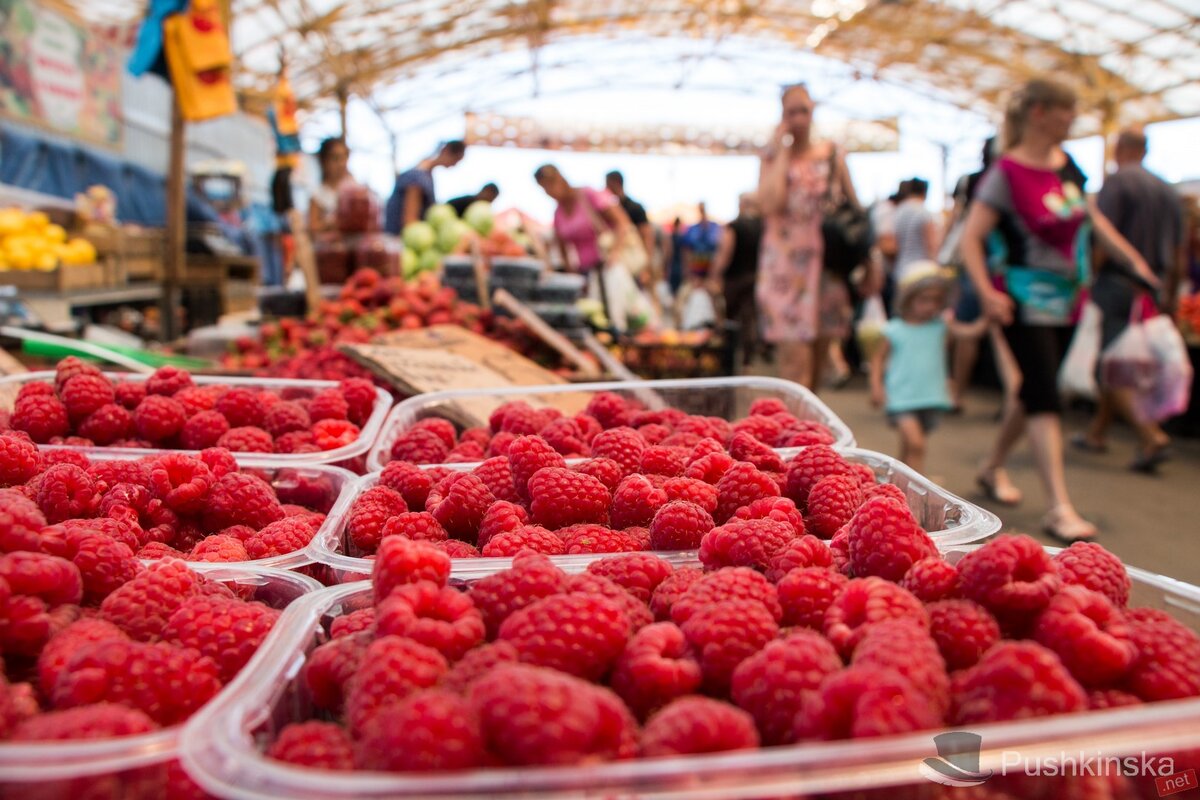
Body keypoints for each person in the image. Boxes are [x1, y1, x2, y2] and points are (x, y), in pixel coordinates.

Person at [959, 78, 1157, 542]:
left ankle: (991, 468)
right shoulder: (1005, 173)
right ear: (1039, 113)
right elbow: (971, 237)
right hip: (1021, 302)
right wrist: (988, 292)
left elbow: (1092, 218)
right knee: (1046, 395)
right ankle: (1058, 507)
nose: (1073, 118)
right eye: (1066, 110)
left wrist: (1132, 260)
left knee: (1032, 389)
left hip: (1068, 300)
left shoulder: (1069, 166)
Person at [1074, 128, 1186, 471]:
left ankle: (1150, 435)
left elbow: (1104, 240)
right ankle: (1098, 432)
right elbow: (1180, 251)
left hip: (1118, 285)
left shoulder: (1118, 183)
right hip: (1153, 288)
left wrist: (1088, 280)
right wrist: (1169, 293)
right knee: (1125, 360)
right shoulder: (1169, 191)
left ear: (1121, 148)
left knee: (1111, 364)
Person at [757, 83, 863, 390]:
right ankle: (794, 433)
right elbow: (769, 204)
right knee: (794, 362)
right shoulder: (772, 157)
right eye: (791, 112)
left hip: (826, 266)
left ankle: (806, 431)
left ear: (813, 110)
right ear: (782, 116)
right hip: (785, 269)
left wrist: (867, 260)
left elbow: (854, 208)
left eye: (803, 110)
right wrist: (781, 151)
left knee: (817, 361)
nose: (799, 119)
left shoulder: (831, 155)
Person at [870, 263, 985, 474]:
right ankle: (916, 490)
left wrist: (988, 317)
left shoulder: (941, 326)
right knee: (917, 445)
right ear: (908, 299)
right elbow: (877, 360)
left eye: (936, 300)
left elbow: (969, 333)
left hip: (930, 396)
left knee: (910, 447)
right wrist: (877, 387)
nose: (931, 306)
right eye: (924, 299)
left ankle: (896, 481)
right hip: (901, 397)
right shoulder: (894, 329)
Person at [534, 164, 641, 329]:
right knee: (599, 323)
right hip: (588, 277)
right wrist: (572, 277)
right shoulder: (558, 213)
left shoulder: (588, 195)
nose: (548, 192)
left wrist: (614, 254)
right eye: (543, 189)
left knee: (622, 319)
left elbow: (622, 223)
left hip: (610, 270)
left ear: (560, 180)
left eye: (548, 186)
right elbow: (562, 248)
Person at [708, 192, 764, 366]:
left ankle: (729, 358)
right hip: (755, 277)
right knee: (749, 318)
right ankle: (747, 357)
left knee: (729, 318)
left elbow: (725, 253)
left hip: (734, 279)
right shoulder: (762, 227)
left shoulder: (734, 226)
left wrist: (715, 274)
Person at [384, 140, 466, 234]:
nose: (454, 165)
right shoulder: (418, 177)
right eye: (456, 159)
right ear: (445, 150)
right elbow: (409, 221)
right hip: (399, 238)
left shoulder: (426, 174)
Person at [892, 178, 942, 286]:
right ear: (925, 193)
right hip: (921, 271)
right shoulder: (924, 212)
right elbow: (932, 245)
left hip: (901, 270)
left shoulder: (898, 211)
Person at [605, 171, 656, 275]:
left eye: (607, 184)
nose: (605, 188)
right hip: (622, 263)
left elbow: (647, 236)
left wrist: (646, 267)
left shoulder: (634, 208)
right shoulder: (612, 208)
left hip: (635, 262)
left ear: (615, 183)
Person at [307, 137, 356, 235]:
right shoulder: (318, 194)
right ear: (324, 162)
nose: (341, 164)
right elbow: (313, 229)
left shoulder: (354, 189)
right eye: (335, 158)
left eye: (344, 158)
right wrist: (331, 223)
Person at [680, 203, 722, 281]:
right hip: (695, 271)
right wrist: (687, 270)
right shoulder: (692, 229)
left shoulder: (715, 228)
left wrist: (716, 273)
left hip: (711, 270)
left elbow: (721, 250)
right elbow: (686, 250)